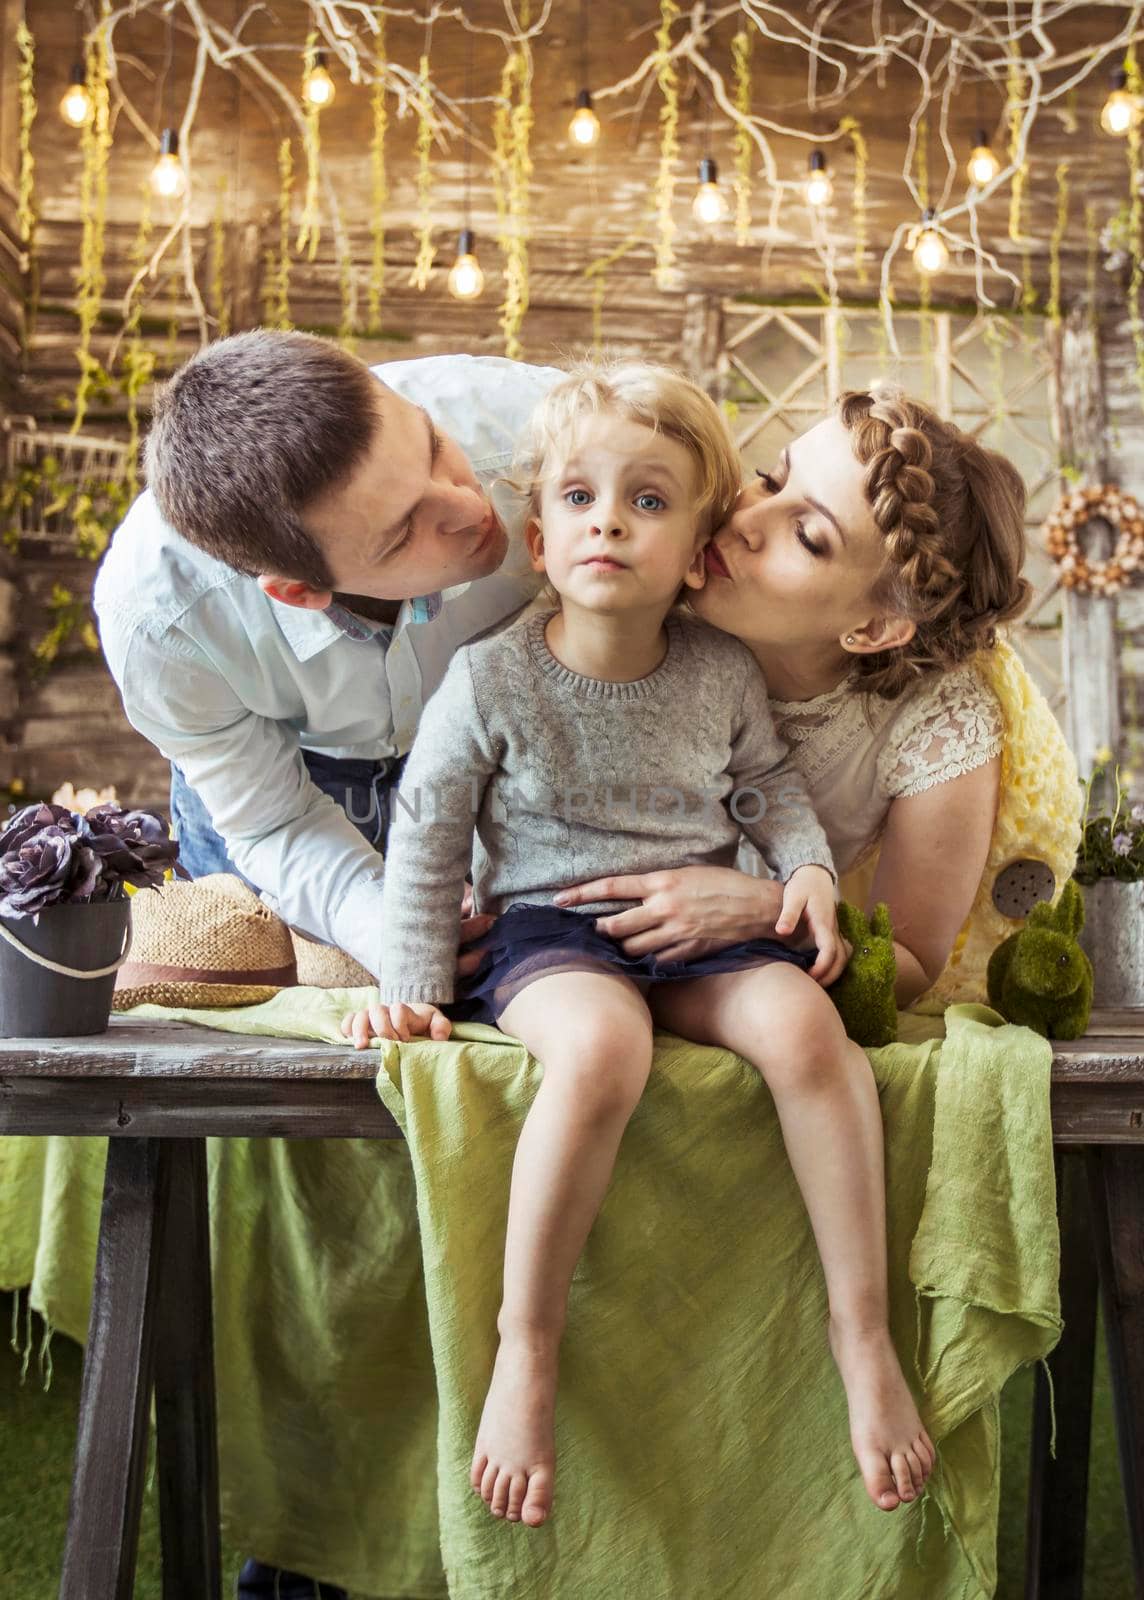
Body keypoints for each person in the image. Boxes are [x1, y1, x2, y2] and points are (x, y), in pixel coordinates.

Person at [342, 362, 937, 1531]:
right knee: (602, 1049)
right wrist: (410, 986)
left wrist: (805, 870)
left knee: (808, 1032)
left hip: (699, 927)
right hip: (545, 929)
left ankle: (860, 1333)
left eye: (650, 501)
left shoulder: (719, 673)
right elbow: (426, 834)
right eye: (578, 497)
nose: (608, 519)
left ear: (696, 544)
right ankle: (527, 1343)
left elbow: (765, 791)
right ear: (538, 534)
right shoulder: (491, 677)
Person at [93, 330, 568, 1600]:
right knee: (316, 1171)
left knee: (520, 1093)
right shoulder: (158, 613)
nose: (475, 513)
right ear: (295, 589)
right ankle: (307, 1548)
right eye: (409, 528)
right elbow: (267, 822)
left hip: (512, 730)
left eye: (432, 450)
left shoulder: (530, 417)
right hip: (296, 807)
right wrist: (397, 923)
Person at [553, 385, 1060, 1023]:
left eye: (807, 536)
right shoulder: (643, 585)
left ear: (874, 629)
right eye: (771, 479)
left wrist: (768, 912)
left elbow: (910, 962)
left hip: (744, 996)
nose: (744, 521)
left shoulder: (938, 727)